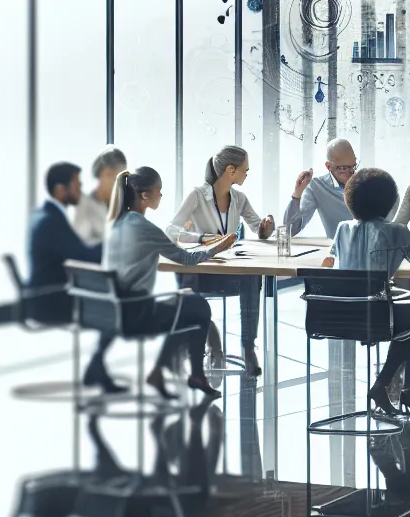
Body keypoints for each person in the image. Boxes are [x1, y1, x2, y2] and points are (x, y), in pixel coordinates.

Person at [318, 167, 410, 418]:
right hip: (378, 315)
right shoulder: (396, 231)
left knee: (409, 321)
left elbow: (333, 259)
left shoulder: (343, 229)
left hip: (342, 316)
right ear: (389, 202)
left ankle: (397, 389)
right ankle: (394, 386)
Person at [102, 167, 235, 399]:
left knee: (190, 304)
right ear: (145, 195)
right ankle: (189, 375)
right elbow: (186, 259)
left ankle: (171, 373)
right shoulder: (143, 226)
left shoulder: (118, 223)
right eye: (158, 191)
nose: (161, 196)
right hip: (137, 313)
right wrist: (219, 247)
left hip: (115, 309)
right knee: (199, 308)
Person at [167, 146, 273, 376]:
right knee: (186, 286)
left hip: (229, 272)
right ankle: (212, 344)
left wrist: (266, 227)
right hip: (202, 272)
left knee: (253, 277)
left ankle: (247, 347)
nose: (247, 173)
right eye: (245, 169)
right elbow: (171, 230)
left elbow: (259, 230)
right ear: (230, 170)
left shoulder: (239, 198)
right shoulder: (197, 195)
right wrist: (202, 237)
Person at [27, 162, 121, 391]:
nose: (80, 189)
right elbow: (83, 256)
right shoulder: (52, 222)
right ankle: (96, 366)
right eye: (76, 185)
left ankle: (96, 366)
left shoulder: (47, 216)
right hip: (51, 300)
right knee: (118, 307)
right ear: (61, 190)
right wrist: (116, 244)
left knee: (112, 298)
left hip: (46, 294)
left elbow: (76, 254)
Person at [282, 137, 358, 238]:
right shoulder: (317, 187)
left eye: (354, 166)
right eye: (344, 168)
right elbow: (289, 231)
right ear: (328, 167)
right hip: (338, 250)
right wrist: (297, 193)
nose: (352, 172)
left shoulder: (365, 183)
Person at [73, 145, 127, 245]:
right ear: (106, 174)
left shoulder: (121, 208)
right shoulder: (84, 206)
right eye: (117, 179)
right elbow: (79, 247)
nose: (120, 186)